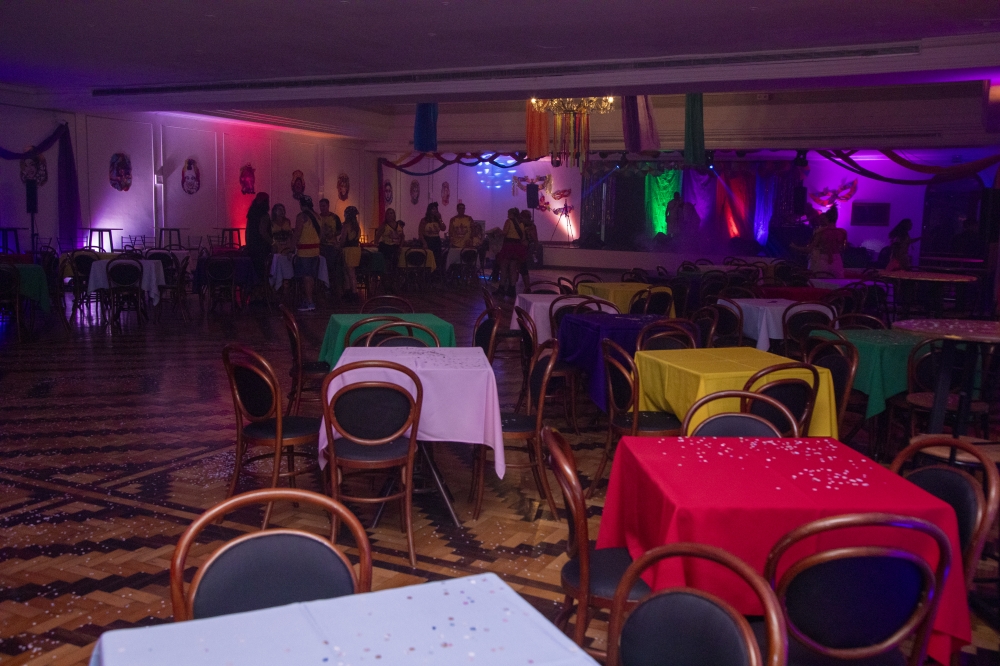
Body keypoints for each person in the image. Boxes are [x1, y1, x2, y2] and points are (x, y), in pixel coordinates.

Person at [792, 209, 848, 278]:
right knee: (838, 282)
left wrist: (795, 247)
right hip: (837, 259)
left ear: (827, 219)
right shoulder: (843, 232)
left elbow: (809, 249)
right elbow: (843, 248)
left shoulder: (820, 232)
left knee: (820, 281)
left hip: (822, 259)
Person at [292, 195, 322, 311]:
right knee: (311, 276)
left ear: (301, 204)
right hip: (315, 250)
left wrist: (291, 247)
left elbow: (297, 233)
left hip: (305, 251)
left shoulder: (302, 217)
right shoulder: (317, 216)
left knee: (306, 277)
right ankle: (309, 299)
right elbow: (321, 234)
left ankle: (309, 302)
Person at [317, 198, 345, 301]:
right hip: (320, 245)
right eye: (321, 206)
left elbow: (340, 230)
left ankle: (332, 287)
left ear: (328, 206)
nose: (322, 208)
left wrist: (332, 234)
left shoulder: (334, 217)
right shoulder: (318, 217)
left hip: (331, 245)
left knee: (331, 267)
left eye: (324, 206)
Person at [497, 207, 528, 298]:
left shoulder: (508, 221)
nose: (507, 215)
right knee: (513, 269)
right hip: (517, 247)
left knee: (504, 268)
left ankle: (501, 288)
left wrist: (498, 231)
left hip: (508, 245)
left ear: (511, 214)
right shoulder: (521, 224)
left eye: (508, 213)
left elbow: (504, 233)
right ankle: (512, 289)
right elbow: (523, 238)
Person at [243, 192, 271, 282]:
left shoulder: (251, 213)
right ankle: (263, 288)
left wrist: (248, 244)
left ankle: (255, 288)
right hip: (262, 246)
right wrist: (272, 242)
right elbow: (263, 232)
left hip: (252, 245)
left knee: (254, 270)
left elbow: (247, 230)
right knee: (263, 270)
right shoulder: (264, 215)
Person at [339, 206, 362, 302]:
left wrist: (338, 245)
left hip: (348, 250)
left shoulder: (346, 225)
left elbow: (343, 240)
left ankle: (353, 293)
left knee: (350, 272)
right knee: (349, 271)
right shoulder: (357, 227)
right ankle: (349, 291)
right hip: (356, 249)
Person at [375, 207, 405, 273]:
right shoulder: (384, 226)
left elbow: (402, 237)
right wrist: (376, 244)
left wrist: (400, 246)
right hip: (386, 247)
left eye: (391, 213)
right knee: (387, 264)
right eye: (388, 213)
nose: (389, 215)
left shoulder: (398, 225)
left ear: (394, 215)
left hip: (396, 247)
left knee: (395, 264)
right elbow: (377, 236)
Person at [518, 210, 538, 291]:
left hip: (523, 248)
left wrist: (535, 250)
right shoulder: (530, 226)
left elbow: (534, 238)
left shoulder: (527, 226)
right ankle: (527, 287)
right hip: (524, 247)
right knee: (522, 267)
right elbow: (535, 239)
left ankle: (526, 287)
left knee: (522, 267)